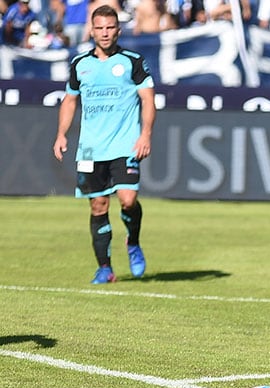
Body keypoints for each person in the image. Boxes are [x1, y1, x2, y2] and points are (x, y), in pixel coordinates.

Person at [52, 4, 155, 285]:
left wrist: (145, 134)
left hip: (124, 145)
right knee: (98, 206)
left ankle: (132, 242)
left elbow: (148, 99)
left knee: (127, 199)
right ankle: (105, 268)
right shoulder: (80, 64)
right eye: (100, 28)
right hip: (91, 149)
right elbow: (70, 100)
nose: (105, 33)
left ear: (119, 30)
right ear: (92, 30)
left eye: (110, 28)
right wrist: (61, 134)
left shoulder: (133, 61)